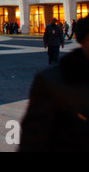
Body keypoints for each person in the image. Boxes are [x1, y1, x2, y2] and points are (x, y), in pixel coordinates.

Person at [19, 15, 89, 151]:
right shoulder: (51, 81)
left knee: (54, 55)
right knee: (52, 57)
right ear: (83, 40)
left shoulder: (57, 29)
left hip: (56, 44)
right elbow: (33, 140)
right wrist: (45, 42)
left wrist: (61, 42)